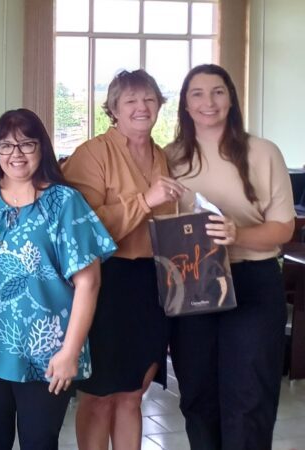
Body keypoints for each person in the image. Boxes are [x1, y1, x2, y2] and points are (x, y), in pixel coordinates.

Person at [0, 108, 115, 449]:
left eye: (27, 144)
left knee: (39, 441)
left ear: (42, 147)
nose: (16, 154)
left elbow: (89, 282)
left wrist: (70, 352)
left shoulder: (65, 202)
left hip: (48, 353)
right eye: (6, 145)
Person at [165, 64, 295, 450]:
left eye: (218, 92)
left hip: (253, 280)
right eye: (198, 93)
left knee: (249, 395)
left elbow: (283, 228)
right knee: (198, 394)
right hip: (192, 283)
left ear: (232, 99)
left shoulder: (263, 152)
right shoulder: (169, 158)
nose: (209, 102)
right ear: (185, 105)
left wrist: (239, 234)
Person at [62, 69, 187, 450]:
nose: (141, 107)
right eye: (130, 100)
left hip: (151, 285)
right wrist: (144, 201)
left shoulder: (163, 156)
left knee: (135, 392)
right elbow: (83, 230)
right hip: (105, 284)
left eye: (149, 99)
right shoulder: (92, 154)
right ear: (113, 109)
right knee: (99, 395)